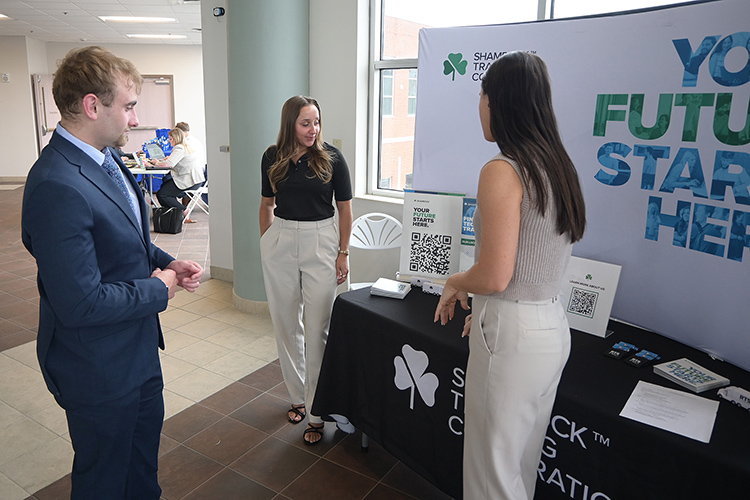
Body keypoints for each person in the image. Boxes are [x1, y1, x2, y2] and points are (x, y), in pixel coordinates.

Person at [21, 46, 204, 500]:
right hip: (97, 366)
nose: (135, 116)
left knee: (140, 468)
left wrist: (164, 261)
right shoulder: (55, 183)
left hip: (136, 350)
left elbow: (124, 235)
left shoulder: (106, 158)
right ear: (91, 105)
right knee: (104, 478)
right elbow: (80, 302)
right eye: (128, 105)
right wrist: (157, 289)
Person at [434, 52, 586, 500]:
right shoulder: (558, 166)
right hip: (550, 326)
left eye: (481, 95)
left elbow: (496, 275)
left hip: (514, 335)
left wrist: (458, 281)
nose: (479, 105)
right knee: (520, 463)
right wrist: (484, 309)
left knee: (490, 475)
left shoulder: (502, 170)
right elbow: (535, 266)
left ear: (498, 101)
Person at [259, 95, 352, 445]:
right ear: (290, 125)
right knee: (286, 324)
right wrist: (267, 244)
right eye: (305, 123)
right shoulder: (272, 157)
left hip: (322, 241)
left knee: (318, 329)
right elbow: (266, 204)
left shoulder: (332, 158)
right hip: (281, 239)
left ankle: (316, 411)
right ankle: (297, 397)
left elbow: (345, 209)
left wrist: (343, 252)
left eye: (316, 122)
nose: (313, 130)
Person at [152, 127, 205, 222]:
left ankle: (183, 211)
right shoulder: (185, 146)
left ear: (176, 138)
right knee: (165, 185)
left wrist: (156, 163)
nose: (169, 141)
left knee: (162, 194)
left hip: (189, 180)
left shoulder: (179, 148)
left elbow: (168, 164)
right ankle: (177, 213)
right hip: (196, 180)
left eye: (170, 138)